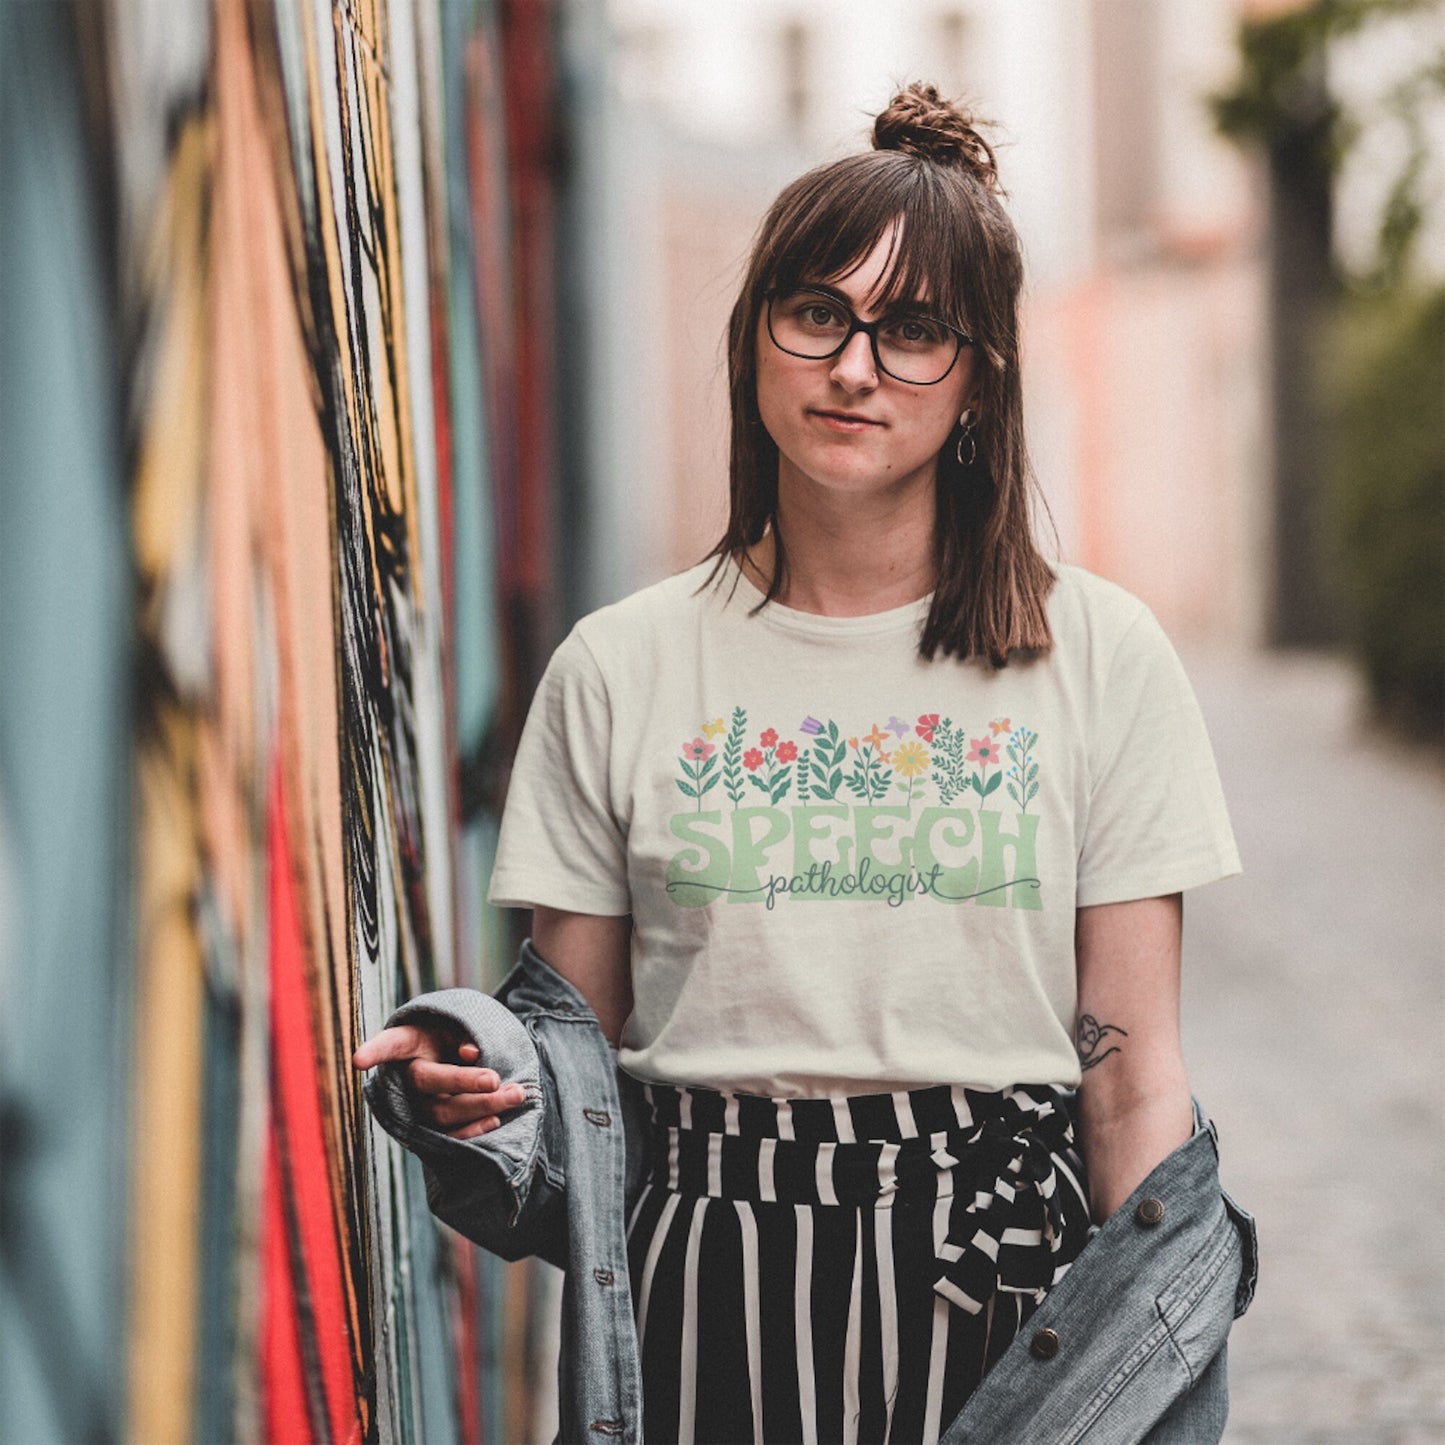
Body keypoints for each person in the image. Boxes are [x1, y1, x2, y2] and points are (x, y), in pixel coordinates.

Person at [354, 81, 1245, 1444]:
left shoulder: (1101, 656)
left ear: (979, 376)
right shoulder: (620, 667)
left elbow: (1129, 1079)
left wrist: (1155, 1364)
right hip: (703, 1284)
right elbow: (569, 1061)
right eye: (816, 313)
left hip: (1005, 1294)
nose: (853, 367)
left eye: (914, 331)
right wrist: (473, 1075)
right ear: (755, 336)